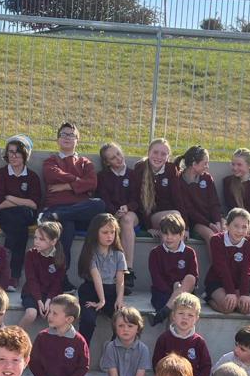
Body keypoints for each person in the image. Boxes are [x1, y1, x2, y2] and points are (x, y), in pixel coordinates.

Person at [40, 122, 105, 275]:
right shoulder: (51, 161)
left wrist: (66, 186)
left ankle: (57, 216)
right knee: (66, 229)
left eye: (71, 135)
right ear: (58, 139)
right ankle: (61, 277)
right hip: (58, 206)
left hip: (79, 211)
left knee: (99, 204)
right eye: (63, 134)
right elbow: (52, 175)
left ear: (77, 140)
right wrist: (77, 181)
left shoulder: (85, 163)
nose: (67, 137)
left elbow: (92, 183)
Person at [0, 134, 41, 284]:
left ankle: (6, 272)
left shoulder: (32, 177)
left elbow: (34, 204)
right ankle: (14, 275)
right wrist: (23, 202)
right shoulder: (1, 174)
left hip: (26, 215)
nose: (13, 156)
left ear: (25, 154)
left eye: (17, 152)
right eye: (10, 152)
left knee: (21, 216)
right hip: (5, 216)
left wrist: (10, 197)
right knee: (19, 227)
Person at [77, 213, 127, 348]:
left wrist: (119, 299)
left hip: (110, 291)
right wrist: (101, 300)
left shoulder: (119, 254)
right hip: (91, 291)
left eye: (112, 232)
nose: (109, 236)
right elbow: (96, 277)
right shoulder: (90, 253)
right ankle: (82, 350)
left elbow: (120, 280)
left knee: (123, 320)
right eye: (105, 232)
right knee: (88, 320)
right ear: (95, 233)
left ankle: (111, 349)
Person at [152, 292, 211, 376]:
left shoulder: (199, 342)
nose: (185, 318)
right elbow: (157, 364)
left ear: (196, 318)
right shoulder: (164, 339)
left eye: (190, 315)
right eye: (181, 313)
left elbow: (206, 367)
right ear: (173, 315)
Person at [97, 142, 140, 285]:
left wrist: (127, 207)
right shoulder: (102, 177)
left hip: (131, 213)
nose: (118, 158)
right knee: (110, 224)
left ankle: (128, 269)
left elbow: (138, 200)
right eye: (113, 158)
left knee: (126, 220)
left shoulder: (133, 174)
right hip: (113, 214)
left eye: (118, 154)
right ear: (107, 162)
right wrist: (114, 213)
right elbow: (104, 199)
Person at [147, 213, 199, 327]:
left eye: (173, 234)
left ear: (181, 235)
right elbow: (156, 279)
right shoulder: (155, 253)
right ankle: (170, 336)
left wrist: (179, 289)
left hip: (185, 292)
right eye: (165, 233)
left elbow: (194, 278)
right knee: (175, 312)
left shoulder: (189, 252)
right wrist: (174, 291)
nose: (169, 237)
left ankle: (161, 314)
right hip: (162, 292)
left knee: (190, 278)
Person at [206, 208, 250, 316]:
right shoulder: (216, 240)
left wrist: (244, 293)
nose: (240, 231)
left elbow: (247, 269)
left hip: (238, 283)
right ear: (227, 225)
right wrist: (230, 292)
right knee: (227, 307)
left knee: (246, 309)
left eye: (244, 227)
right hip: (218, 281)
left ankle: (236, 299)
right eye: (236, 226)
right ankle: (208, 298)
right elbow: (221, 268)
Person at [173, 145, 224, 244]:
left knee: (227, 233)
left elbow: (214, 203)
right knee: (212, 237)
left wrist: (217, 222)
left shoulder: (207, 178)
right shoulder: (178, 180)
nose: (207, 167)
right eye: (205, 163)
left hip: (211, 220)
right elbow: (187, 209)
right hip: (196, 222)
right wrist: (209, 224)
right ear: (194, 164)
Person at [19, 221, 65, 330]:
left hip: (51, 295)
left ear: (53, 241)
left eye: (41, 239)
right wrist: (39, 301)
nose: (36, 241)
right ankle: (13, 337)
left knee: (58, 316)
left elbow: (57, 283)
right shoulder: (31, 254)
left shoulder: (60, 257)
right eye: (35, 238)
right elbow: (31, 279)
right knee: (31, 313)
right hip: (32, 293)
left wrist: (49, 300)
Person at [131, 138, 180, 234]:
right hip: (149, 217)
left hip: (169, 214)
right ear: (148, 152)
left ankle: (169, 243)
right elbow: (138, 201)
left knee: (175, 219)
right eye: (155, 152)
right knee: (173, 219)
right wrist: (148, 227)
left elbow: (178, 198)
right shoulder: (140, 168)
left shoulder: (171, 169)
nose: (158, 157)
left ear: (168, 156)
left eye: (163, 154)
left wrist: (186, 228)